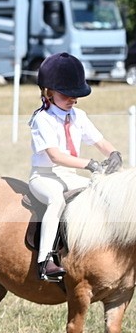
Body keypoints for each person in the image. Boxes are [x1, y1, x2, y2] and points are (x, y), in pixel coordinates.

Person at [28, 52, 122, 281]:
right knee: (56, 200)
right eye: (67, 95)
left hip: (69, 175)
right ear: (48, 93)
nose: (73, 100)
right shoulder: (42, 119)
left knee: (102, 192)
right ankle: (45, 261)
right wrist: (89, 163)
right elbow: (55, 156)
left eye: (76, 95)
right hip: (44, 177)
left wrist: (113, 153)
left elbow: (98, 141)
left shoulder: (79, 116)